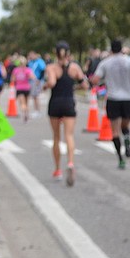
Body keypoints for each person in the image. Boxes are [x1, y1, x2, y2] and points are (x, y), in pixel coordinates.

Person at [91, 39, 130, 169]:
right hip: (128, 97)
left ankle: (121, 159)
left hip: (113, 98)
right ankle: (127, 141)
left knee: (114, 131)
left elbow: (96, 79)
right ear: (121, 48)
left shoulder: (106, 63)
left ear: (111, 49)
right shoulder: (128, 61)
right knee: (125, 125)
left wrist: (102, 82)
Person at [44, 41, 88, 186]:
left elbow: (51, 83)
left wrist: (45, 86)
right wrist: (73, 86)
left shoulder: (51, 67)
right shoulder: (75, 67)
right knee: (69, 135)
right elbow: (85, 84)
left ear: (55, 53)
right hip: (69, 103)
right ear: (68, 53)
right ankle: (70, 162)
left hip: (55, 103)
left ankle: (57, 170)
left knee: (56, 137)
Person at [10, 56, 37, 122]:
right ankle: (26, 114)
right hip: (27, 88)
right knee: (27, 103)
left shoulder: (16, 70)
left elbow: (12, 79)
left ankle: (24, 113)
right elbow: (33, 77)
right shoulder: (28, 70)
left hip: (19, 88)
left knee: (22, 103)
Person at [27, 51, 46, 117]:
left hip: (37, 80)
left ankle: (37, 111)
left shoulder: (39, 61)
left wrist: (39, 79)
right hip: (32, 81)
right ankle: (36, 110)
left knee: (35, 95)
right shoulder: (31, 62)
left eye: (31, 55)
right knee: (34, 96)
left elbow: (43, 70)